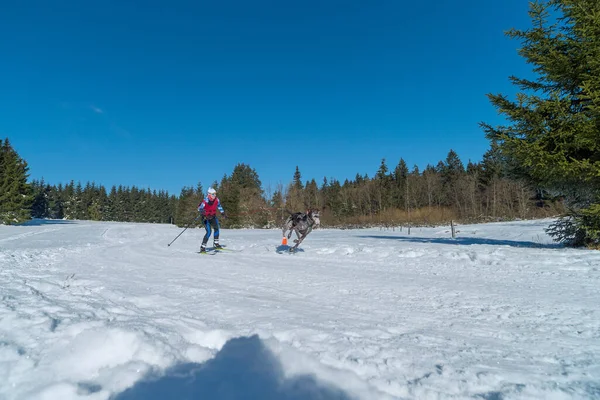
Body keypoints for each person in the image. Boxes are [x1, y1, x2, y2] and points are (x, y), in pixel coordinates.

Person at [197, 187, 227, 253]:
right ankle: (202, 247)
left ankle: (216, 243)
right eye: (213, 194)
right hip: (206, 218)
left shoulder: (217, 200)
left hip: (213, 217)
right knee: (209, 232)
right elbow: (199, 208)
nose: (214, 196)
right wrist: (203, 213)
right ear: (209, 194)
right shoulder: (205, 201)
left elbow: (219, 206)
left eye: (215, 194)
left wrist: (223, 213)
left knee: (217, 228)